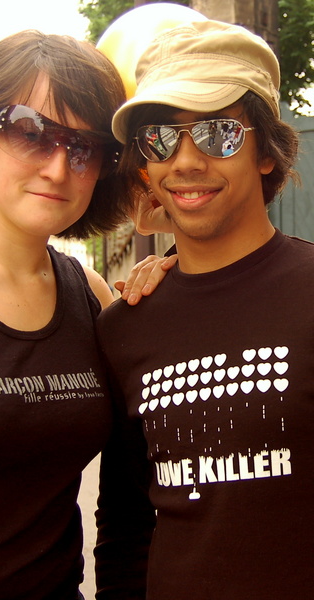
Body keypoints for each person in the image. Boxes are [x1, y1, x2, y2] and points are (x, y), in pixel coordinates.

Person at [0, 30, 174, 600]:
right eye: (32, 133)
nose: (59, 168)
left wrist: (179, 279)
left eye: (85, 148)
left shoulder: (92, 296)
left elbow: (132, 500)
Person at [95, 19, 313, 600]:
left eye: (219, 134)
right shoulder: (124, 327)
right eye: (161, 139)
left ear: (265, 152)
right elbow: (125, 529)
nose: (186, 161)